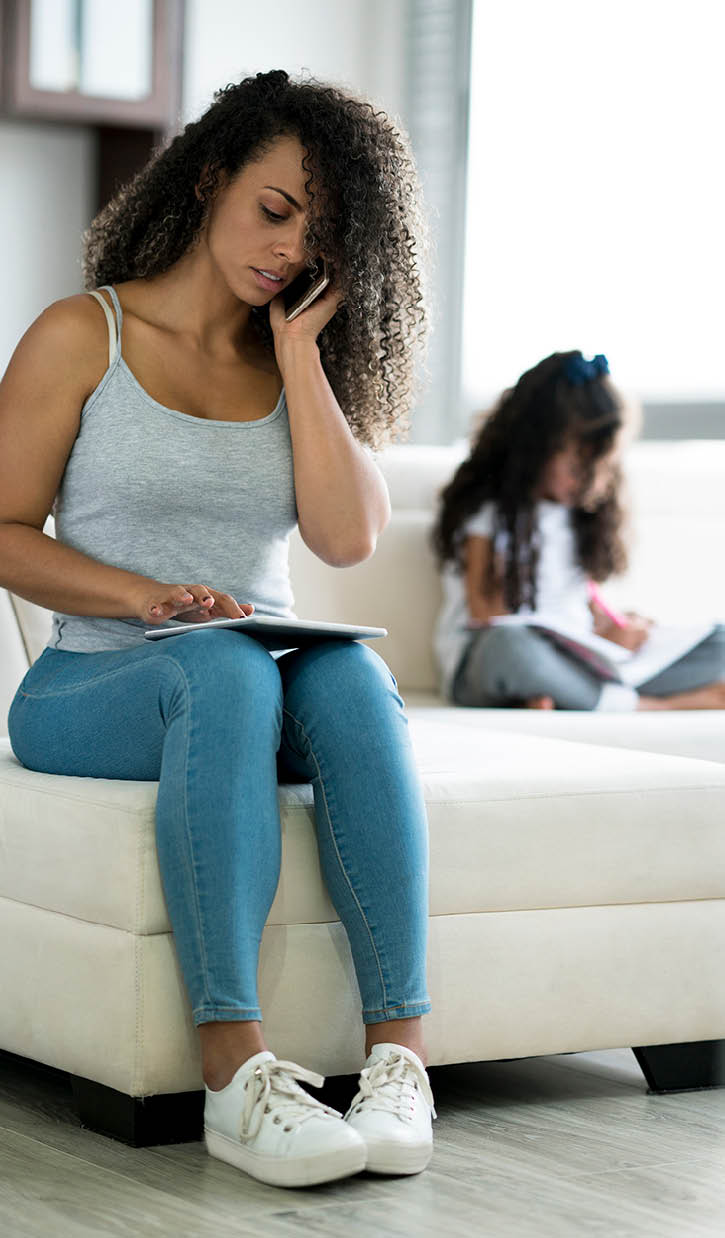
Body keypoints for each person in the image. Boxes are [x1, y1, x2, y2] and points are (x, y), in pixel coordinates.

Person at [0, 69, 438, 1189]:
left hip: (251, 669)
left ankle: (398, 1058)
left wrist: (298, 355)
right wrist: (145, 594)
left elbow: (343, 542)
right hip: (95, 683)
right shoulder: (81, 333)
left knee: (347, 684)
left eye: (317, 233)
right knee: (224, 671)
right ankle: (236, 1071)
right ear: (209, 180)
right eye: (274, 209)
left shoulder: (293, 359)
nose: (287, 248)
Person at [430, 351, 725, 712]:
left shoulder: (579, 515)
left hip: (582, 659)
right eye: (576, 467)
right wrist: (591, 642)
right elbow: (486, 614)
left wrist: (620, 630)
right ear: (534, 448)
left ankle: (562, 696)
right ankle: (646, 706)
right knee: (508, 649)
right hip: (491, 658)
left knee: (719, 643)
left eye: (601, 468)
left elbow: (586, 606)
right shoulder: (487, 510)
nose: (591, 482)